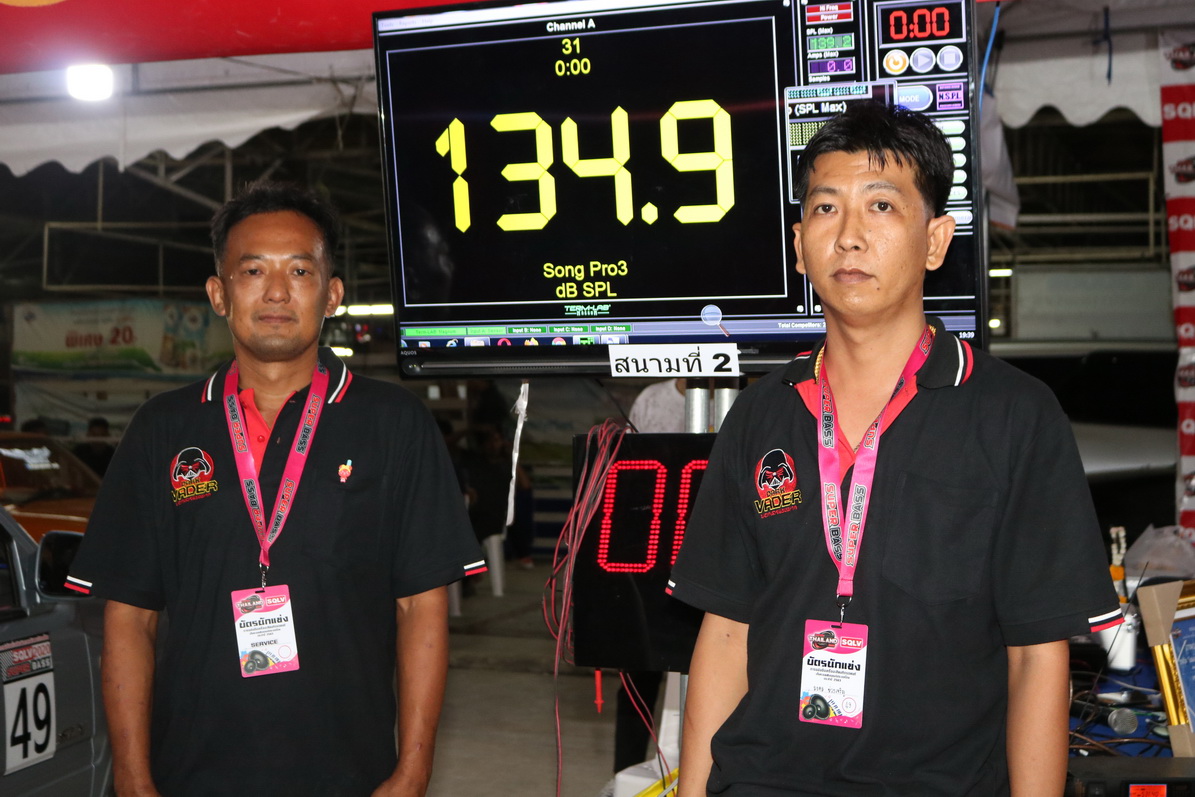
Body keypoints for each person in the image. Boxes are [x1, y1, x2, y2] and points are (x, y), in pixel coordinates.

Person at [668, 102, 1123, 796]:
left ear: (935, 240)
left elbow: (1036, 657)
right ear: (799, 244)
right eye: (826, 208)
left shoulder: (1014, 415)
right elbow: (727, 632)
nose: (849, 236)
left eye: (880, 206)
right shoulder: (760, 414)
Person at [66, 181, 486, 797]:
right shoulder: (163, 428)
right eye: (253, 270)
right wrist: (132, 778)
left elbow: (421, 608)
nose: (277, 292)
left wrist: (412, 771)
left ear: (332, 293)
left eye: (300, 270)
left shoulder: (394, 424)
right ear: (219, 293)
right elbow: (130, 617)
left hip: (352, 775)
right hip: (190, 775)